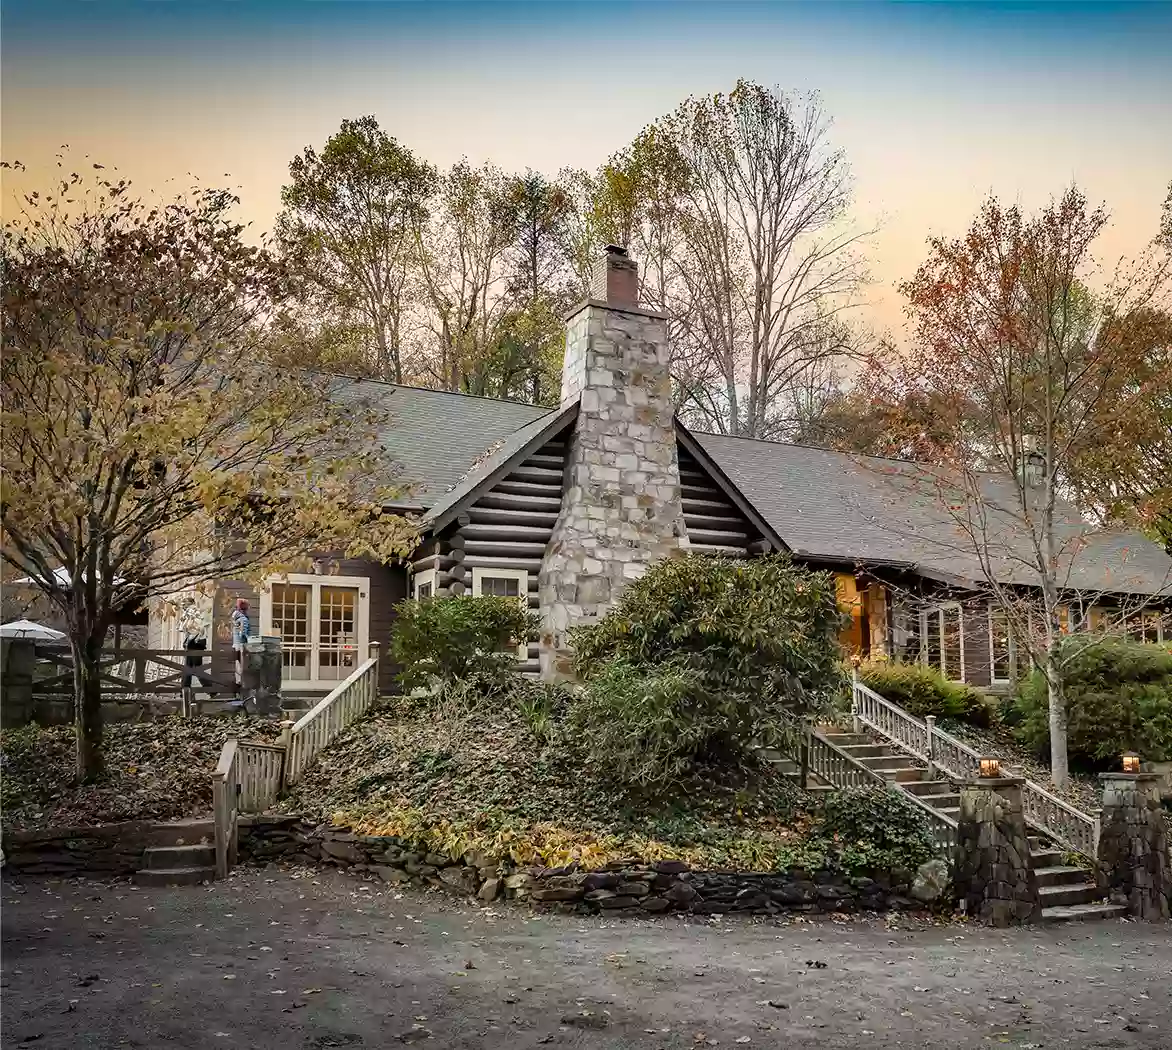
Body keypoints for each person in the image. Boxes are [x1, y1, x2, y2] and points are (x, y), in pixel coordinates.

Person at [179, 598, 212, 690]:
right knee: (188, 669)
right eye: (183, 605)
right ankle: (185, 691)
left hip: (195, 643)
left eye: (185, 604)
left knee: (195, 668)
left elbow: (192, 628)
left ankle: (210, 689)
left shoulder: (193, 612)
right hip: (192, 643)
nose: (184, 606)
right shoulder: (190, 613)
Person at [230, 597, 251, 697]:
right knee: (243, 670)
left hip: (235, 646)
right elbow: (242, 634)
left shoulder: (235, 619)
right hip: (242, 647)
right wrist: (250, 639)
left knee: (237, 670)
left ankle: (237, 693)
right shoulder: (243, 619)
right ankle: (243, 694)